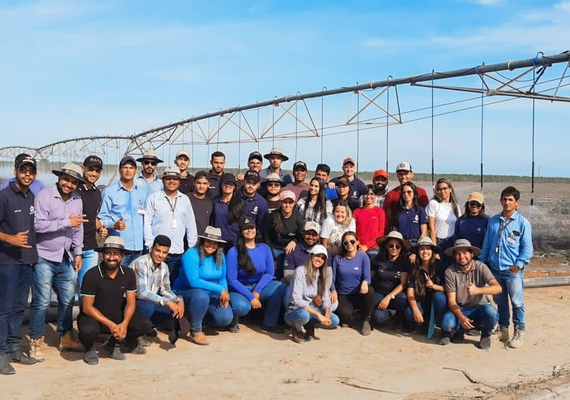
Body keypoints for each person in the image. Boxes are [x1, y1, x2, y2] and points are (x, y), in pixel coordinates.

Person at [29, 162, 85, 361]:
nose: (69, 184)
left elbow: (78, 229)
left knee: (68, 300)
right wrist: (65, 222)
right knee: (42, 301)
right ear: (60, 178)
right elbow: (36, 226)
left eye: (73, 182)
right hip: (44, 256)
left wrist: (78, 252)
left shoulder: (77, 200)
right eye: (66, 179)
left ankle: (65, 336)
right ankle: (35, 339)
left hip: (66, 256)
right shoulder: (44, 196)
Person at [78, 236, 152, 365]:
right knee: (87, 330)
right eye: (108, 253)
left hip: (117, 314)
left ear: (122, 256)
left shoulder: (128, 273)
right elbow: (87, 307)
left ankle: (113, 344)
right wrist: (111, 325)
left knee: (145, 324)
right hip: (95, 317)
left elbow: (130, 302)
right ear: (103, 254)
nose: (111, 258)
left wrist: (124, 323)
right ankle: (89, 349)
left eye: (116, 254)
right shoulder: (92, 275)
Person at [479, 186, 532, 349]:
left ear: (517, 203)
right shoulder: (494, 221)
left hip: (512, 270)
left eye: (511, 200)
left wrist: (519, 264)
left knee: (517, 302)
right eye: (505, 199)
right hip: (495, 269)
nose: (507, 202)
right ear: (500, 201)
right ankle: (503, 330)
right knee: (500, 301)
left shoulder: (523, 223)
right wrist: (482, 261)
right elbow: (487, 243)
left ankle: (519, 330)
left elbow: (527, 247)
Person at [0, 154, 39, 374]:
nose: (27, 174)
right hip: (7, 261)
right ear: (15, 171)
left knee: (18, 307)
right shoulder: (4, 196)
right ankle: (1, 352)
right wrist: (10, 239)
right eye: (23, 170)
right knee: (4, 308)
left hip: (28, 261)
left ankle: (14, 347)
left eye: (31, 171)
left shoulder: (33, 197)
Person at [173, 226, 233, 345]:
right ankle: (196, 331)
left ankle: (192, 319)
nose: (211, 245)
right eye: (208, 241)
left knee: (225, 318)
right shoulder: (191, 254)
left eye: (215, 243)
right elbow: (194, 281)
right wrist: (220, 289)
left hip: (210, 293)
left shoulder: (221, 256)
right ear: (202, 241)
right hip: (187, 291)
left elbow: (222, 278)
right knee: (201, 295)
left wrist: (224, 292)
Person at [226, 217, 286, 333]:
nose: (249, 231)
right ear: (241, 232)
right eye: (246, 229)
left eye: (251, 228)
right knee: (242, 307)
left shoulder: (264, 248)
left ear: (256, 230)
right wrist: (251, 297)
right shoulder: (233, 251)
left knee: (279, 287)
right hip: (240, 288)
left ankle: (269, 322)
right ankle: (233, 321)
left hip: (258, 285)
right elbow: (231, 279)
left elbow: (270, 273)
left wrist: (257, 290)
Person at [440, 239, 502, 349]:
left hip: (479, 308)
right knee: (447, 323)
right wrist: (461, 317)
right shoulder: (450, 271)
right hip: (461, 308)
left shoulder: (481, 267)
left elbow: (498, 288)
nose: (462, 256)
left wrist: (478, 290)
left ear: (472, 254)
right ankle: (459, 331)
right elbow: (451, 300)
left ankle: (486, 334)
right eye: (458, 253)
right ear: (454, 256)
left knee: (491, 312)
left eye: (465, 252)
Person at [130, 235, 188, 345]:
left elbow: (165, 289)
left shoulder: (164, 267)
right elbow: (142, 293)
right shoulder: (140, 263)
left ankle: (150, 326)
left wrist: (178, 300)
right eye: (158, 251)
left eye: (164, 252)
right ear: (151, 248)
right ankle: (136, 334)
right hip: (133, 301)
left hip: (150, 300)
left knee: (174, 308)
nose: (160, 255)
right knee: (148, 307)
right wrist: (167, 302)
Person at [144, 166, 198, 281]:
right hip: (157, 252)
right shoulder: (153, 198)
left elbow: (190, 224)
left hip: (177, 252)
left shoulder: (185, 199)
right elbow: (147, 223)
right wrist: (149, 245)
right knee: (154, 283)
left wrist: (191, 247)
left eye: (175, 179)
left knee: (173, 283)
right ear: (163, 180)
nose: (172, 181)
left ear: (179, 181)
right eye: (168, 178)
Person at [285, 244, 339, 343]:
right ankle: (296, 329)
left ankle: (310, 325)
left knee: (334, 320)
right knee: (303, 315)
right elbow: (297, 300)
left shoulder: (321, 274)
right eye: (317, 256)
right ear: (311, 256)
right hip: (296, 310)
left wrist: (326, 315)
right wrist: (318, 315)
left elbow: (326, 297)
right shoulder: (300, 271)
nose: (320, 260)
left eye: (323, 258)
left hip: (312, 308)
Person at [99, 156, 146, 266]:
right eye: (125, 167)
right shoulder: (109, 192)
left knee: (134, 281)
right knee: (116, 280)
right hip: (118, 247)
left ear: (136, 171)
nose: (128, 170)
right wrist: (113, 225)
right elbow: (101, 219)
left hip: (138, 247)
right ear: (120, 170)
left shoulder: (142, 192)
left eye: (131, 167)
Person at [331, 231, 375, 336]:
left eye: (352, 241)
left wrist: (365, 282)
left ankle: (366, 320)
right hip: (344, 294)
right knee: (344, 316)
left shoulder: (363, 257)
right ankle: (354, 317)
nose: (349, 244)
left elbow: (367, 276)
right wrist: (333, 290)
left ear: (357, 242)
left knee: (370, 291)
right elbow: (332, 278)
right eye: (346, 243)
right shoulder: (338, 259)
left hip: (359, 292)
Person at [76, 156, 107, 297]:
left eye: (97, 171)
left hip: (90, 248)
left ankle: (85, 317)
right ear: (83, 168)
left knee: (87, 289)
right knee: (67, 290)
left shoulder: (96, 193)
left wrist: (100, 228)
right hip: (72, 248)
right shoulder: (74, 189)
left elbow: (93, 216)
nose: (94, 173)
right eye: (90, 169)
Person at [404, 237, 447, 333]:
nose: (425, 251)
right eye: (421, 249)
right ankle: (423, 322)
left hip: (437, 302)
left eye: (428, 248)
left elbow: (448, 288)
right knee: (409, 312)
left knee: (439, 297)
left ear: (432, 251)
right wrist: (415, 309)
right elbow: (410, 292)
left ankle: (441, 323)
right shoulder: (414, 267)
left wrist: (433, 286)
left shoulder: (439, 265)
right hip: (422, 301)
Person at [371, 231, 411, 328]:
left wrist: (389, 296)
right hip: (379, 292)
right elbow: (370, 278)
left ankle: (399, 316)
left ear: (401, 248)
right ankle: (388, 314)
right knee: (379, 317)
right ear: (386, 246)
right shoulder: (378, 259)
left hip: (395, 295)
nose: (394, 248)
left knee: (403, 299)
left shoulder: (404, 262)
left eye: (397, 246)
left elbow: (403, 284)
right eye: (391, 246)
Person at [265, 190, 304, 279]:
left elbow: (301, 236)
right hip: (275, 247)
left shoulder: (298, 217)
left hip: (291, 248)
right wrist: (272, 257)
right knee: (273, 270)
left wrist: (294, 241)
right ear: (281, 202)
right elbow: (267, 237)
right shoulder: (273, 216)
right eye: (285, 202)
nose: (287, 205)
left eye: (290, 203)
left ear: (294, 203)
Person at [426, 178, 461, 265]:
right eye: (439, 189)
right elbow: (431, 227)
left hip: (452, 242)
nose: (442, 191)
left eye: (445, 188)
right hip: (438, 242)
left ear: (450, 189)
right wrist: (435, 249)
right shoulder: (433, 204)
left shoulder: (455, 206)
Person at [353, 184, 387, 260]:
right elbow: (353, 230)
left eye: (371, 194)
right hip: (358, 248)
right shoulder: (356, 212)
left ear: (375, 196)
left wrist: (367, 246)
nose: (368, 197)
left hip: (374, 249)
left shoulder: (380, 212)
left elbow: (381, 232)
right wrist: (359, 245)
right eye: (366, 194)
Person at [212, 173, 243, 248]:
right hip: (218, 240)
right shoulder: (215, 201)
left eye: (231, 184)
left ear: (234, 186)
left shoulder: (240, 203)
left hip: (235, 241)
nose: (228, 186)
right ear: (221, 185)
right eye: (225, 183)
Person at [239, 170, 269, 236]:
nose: (250, 186)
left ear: (258, 185)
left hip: (252, 237)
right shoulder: (234, 196)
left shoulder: (262, 202)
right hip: (235, 236)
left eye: (254, 183)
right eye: (248, 182)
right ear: (244, 182)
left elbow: (262, 226)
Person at [188, 170, 213, 235]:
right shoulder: (185, 199)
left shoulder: (211, 202)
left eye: (204, 183)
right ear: (193, 183)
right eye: (198, 183)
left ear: (208, 184)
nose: (201, 186)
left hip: (203, 241)